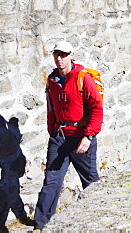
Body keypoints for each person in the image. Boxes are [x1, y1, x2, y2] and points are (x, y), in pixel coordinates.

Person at [31, 40, 103, 231]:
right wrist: (52, 131)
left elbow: (97, 109)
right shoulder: (53, 80)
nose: (60, 59)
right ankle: (41, 226)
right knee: (51, 181)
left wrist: (88, 137)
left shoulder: (82, 78)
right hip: (59, 137)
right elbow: (51, 109)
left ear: (72, 55)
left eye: (63, 55)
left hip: (80, 137)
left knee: (90, 181)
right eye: (57, 55)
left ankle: (101, 220)